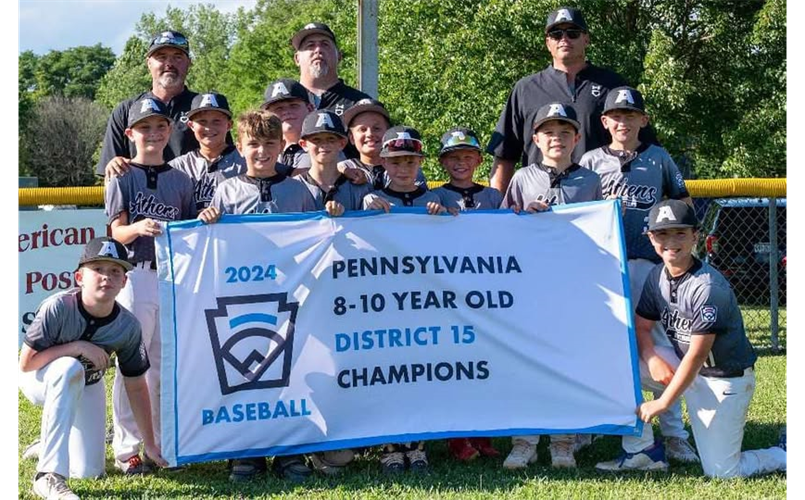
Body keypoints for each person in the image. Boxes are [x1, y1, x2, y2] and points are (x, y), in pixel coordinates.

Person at [595, 200, 788, 477]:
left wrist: (662, 402)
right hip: (684, 364)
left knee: (723, 472)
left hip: (723, 378)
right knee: (617, 368)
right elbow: (641, 327)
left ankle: (780, 453)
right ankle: (643, 450)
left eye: (680, 233)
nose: (671, 241)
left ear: (696, 236)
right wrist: (651, 358)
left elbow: (698, 355)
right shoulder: (656, 275)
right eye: (662, 233)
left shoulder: (709, 287)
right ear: (650, 238)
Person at [579, 86, 699, 463]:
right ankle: (629, 431)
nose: (623, 122)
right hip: (607, 267)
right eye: (615, 116)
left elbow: (684, 202)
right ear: (604, 122)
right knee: (615, 350)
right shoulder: (590, 161)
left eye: (630, 116)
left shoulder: (659, 157)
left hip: (651, 265)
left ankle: (676, 433)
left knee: (663, 347)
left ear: (643, 121)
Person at [199, 110, 316, 481]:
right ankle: (246, 451)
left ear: (283, 145)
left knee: (289, 374)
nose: (262, 151)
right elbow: (214, 248)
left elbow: (315, 242)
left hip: (288, 295)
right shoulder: (227, 190)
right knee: (245, 373)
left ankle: (287, 449)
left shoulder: (298, 190)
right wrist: (209, 223)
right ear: (240, 146)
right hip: (243, 296)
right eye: (254, 144)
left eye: (269, 144)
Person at [18, 237, 168, 500]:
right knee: (67, 368)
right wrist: (76, 347)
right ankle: (48, 476)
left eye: (115, 271)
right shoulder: (59, 306)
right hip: (38, 378)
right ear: (79, 277)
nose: (105, 277)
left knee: (89, 470)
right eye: (97, 269)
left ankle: (50, 443)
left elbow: (135, 384)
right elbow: (27, 363)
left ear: (124, 282)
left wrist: (151, 443)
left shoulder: (128, 326)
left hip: (88, 382)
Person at [501, 102, 601, 469]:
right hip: (529, 286)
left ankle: (563, 440)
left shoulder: (590, 181)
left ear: (576, 138)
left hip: (573, 286)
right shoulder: (522, 179)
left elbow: (601, 234)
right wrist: (524, 220)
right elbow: (503, 233)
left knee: (567, 362)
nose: (556, 139)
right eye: (548, 133)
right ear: (536, 139)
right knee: (527, 361)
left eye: (564, 132)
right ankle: (524, 440)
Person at [105, 97, 196, 474]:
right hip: (137, 273)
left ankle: (159, 445)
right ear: (130, 134)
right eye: (145, 127)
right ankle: (127, 450)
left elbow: (190, 231)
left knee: (162, 364)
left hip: (172, 277)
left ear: (170, 131)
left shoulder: (181, 180)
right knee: (133, 364)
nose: (153, 133)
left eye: (159, 126)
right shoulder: (121, 176)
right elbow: (115, 231)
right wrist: (138, 228)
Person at [486, 6, 656, 193]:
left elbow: (645, 150)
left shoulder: (613, 85)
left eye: (573, 33)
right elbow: (504, 157)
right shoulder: (525, 89)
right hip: (538, 200)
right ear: (548, 42)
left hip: (600, 197)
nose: (564, 39)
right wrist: (499, 213)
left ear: (586, 39)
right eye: (556, 34)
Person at [97, 30, 229, 178]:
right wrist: (114, 164)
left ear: (189, 63)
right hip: (142, 198)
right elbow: (110, 173)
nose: (169, 64)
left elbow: (229, 161)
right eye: (161, 57)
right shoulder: (126, 110)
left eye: (177, 57)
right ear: (149, 63)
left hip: (193, 198)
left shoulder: (206, 108)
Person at [168, 92, 246, 212]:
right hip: (194, 230)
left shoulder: (246, 161)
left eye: (216, 121)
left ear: (229, 125)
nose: (209, 128)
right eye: (202, 122)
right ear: (191, 125)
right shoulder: (178, 167)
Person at [339, 98, 428, 190]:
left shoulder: (410, 170)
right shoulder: (345, 169)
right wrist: (341, 170)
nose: (370, 134)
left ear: (388, 134)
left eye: (376, 128)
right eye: (362, 129)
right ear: (352, 138)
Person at [297, 110, 371, 215]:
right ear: (303, 144)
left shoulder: (359, 188)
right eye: (316, 139)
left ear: (342, 143)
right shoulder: (294, 187)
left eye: (331, 139)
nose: (324, 145)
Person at [291, 22, 371, 117]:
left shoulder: (359, 104)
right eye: (310, 45)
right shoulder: (282, 104)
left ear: (339, 56)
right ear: (297, 59)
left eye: (325, 44)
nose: (318, 50)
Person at [362, 126, 446, 215]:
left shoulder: (432, 200)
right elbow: (364, 227)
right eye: (395, 163)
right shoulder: (372, 200)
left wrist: (443, 216)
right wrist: (370, 213)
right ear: (383, 162)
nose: (403, 170)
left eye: (410, 162)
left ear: (420, 161)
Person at [433, 128, 503, 212]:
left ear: (479, 160)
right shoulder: (434, 197)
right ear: (442, 161)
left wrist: (514, 211)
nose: (461, 162)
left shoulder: (493, 196)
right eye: (454, 157)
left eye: (468, 157)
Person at [260, 78, 316, 172]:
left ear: (309, 109)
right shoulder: (260, 150)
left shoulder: (323, 145)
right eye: (279, 108)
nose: (286, 112)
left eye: (293, 106)